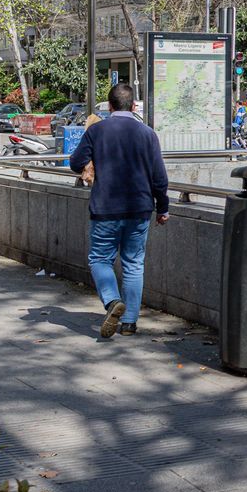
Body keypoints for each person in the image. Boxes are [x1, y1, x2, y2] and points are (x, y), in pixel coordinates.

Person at [69, 83, 169, 339]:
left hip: (106, 208)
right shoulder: (148, 134)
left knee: (100, 260)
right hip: (140, 208)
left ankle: (113, 301)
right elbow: (159, 177)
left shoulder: (97, 131)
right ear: (133, 106)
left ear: (110, 106)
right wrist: (163, 208)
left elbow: (76, 162)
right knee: (134, 264)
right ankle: (129, 323)